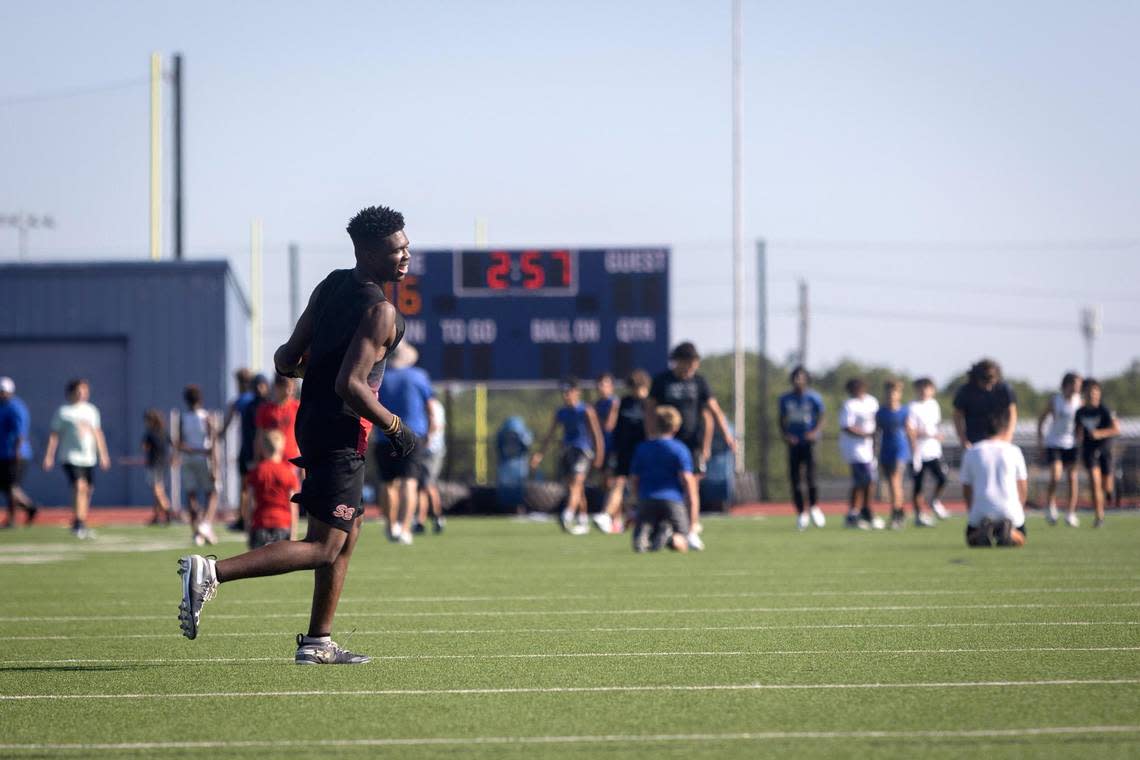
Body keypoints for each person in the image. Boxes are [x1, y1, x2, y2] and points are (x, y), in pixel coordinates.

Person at [178, 204, 416, 666]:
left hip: (313, 422)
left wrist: (318, 368)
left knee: (348, 532)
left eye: (407, 244)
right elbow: (352, 383)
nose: (406, 255)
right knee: (325, 545)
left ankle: (317, 642)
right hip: (342, 428)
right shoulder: (382, 311)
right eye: (397, 248)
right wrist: (396, 425)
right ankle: (211, 571)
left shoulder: (331, 284)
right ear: (367, 251)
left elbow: (286, 360)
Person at [646, 342, 736, 550]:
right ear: (678, 361)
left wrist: (727, 437)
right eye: (689, 363)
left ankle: (692, 529)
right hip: (668, 443)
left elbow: (714, 411)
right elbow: (650, 410)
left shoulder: (699, 383)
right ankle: (668, 526)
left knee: (692, 485)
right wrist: (651, 435)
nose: (692, 368)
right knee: (669, 486)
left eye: (695, 364)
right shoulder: (662, 382)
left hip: (692, 444)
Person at [530, 377, 605, 536]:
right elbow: (550, 435)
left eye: (569, 391)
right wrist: (539, 455)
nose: (566, 395)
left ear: (577, 392)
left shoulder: (586, 410)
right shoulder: (561, 413)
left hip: (583, 452)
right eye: (564, 392)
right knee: (577, 487)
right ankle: (583, 520)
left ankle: (568, 514)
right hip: (568, 451)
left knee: (575, 484)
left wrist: (599, 454)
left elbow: (597, 435)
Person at [376, 343, 434, 545]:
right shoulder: (419, 376)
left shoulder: (380, 377)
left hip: (384, 434)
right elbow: (430, 408)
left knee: (387, 483)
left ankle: (390, 526)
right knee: (409, 481)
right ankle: (405, 528)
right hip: (412, 435)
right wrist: (431, 433)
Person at [42, 378, 110, 539]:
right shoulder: (63, 411)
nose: (82, 393)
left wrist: (103, 455)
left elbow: (98, 433)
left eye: (85, 390)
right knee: (79, 486)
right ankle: (79, 522)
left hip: (89, 458)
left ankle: (80, 521)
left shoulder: (91, 410)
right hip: (70, 457)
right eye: (79, 390)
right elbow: (54, 435)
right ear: (71, 392)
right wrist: (49, 456)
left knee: (87, 490)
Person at [629, 405, 698, 553]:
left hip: (646, 499)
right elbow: (687, 480)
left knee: (644, 529)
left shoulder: (643, 448)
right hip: (672, 499)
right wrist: (692, 519)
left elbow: (635, 479)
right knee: (683, 540)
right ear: (675, 427)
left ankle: (645, 538)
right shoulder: (679, 449)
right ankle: (671, 537)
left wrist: (635, 503)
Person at [960, 406, 1028, 548]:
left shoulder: (972, 451)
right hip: (1009, 509)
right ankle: (1009, 533)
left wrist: (971, 509)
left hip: (981, 509)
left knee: (970, 538)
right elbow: (1022, 486)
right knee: (1022, 538)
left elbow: (966, 488)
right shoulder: (1014, 451)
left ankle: (985, 531)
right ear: (1005, 428)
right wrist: (1019, 507)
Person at [597, 370, 651, 534]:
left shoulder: (650, 403)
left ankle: (637, 515)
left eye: (637, 388)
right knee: (619, 482)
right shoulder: (624, 402)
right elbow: (613, 427)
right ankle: (606, 516)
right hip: (625, 450)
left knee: (641, 485)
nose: (635, 392)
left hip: (644, 451)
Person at [778, 366, 825, 531]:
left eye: (802, 377)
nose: (799, 380)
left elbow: (821, 417)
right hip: (794, 443)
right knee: (795, 479)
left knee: (811, 477)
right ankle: (801, 512)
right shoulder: (785, 399)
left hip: (809, 442)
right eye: (796, 377)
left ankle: (813, 506)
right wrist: (786, 435)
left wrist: (814, 432)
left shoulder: (814, 398)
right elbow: (782, 420)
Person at [1037, 372, 1082, 527]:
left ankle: (1070, 513)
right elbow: (1041, 419)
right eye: (1076, 384)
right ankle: (1050, 505)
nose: (1078, 387)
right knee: (1055, 476)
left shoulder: (1079, 401)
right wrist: (1040, 441)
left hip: (1072, 444)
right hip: (1054, 442)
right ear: (1067, 385)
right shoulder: (1055, 400)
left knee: (1072, 478)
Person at [1074, 379, 1120, 529]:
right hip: (1089, 450)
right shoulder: (1080, 412)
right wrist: (1078, 438)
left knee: (1107, 486)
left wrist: (1100, 433)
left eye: (1095, 393)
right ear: (1084, 394)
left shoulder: (1104, 410)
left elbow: (1116, 429)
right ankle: (1099, 516)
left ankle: (1110, 492)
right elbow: (1078, 431)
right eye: (1090, 393)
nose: (1093, 396)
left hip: (1105, 448)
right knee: (1095, 482)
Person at [226, 373, 269, 532]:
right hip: (253, 451)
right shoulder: (259, 402)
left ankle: (246, 519)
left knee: (248, 487)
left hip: (250, 450)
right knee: (251, 487)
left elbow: (228, 420)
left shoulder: (243, 401)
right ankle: (247, 519)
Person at [877, 380, 922, 530]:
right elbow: (876, 433)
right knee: (891, 485)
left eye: (894, 392)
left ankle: (896, 514)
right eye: (888, 392)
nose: (891, 395)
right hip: (885, 450)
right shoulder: (881, 412)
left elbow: (910, 432)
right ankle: (900, 511)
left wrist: (914, 451)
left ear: (899, 394)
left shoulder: (904, 411)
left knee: (895, 481)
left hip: (900, 450)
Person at [178, 384, 220, 546]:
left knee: (191, 495)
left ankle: (198, 532)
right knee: (213, 493)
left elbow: (179, 443)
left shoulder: (183, 418)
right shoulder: (207, 417)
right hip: (204, 457)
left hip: (189, 458)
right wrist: (215, 466)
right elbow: (213, 442)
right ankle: (205, 524)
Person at [246, 429, 301, 549]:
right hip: (282, 523)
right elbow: (293, 506)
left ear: (263, 447)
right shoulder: (288, 473)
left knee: (258, 565)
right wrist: (294, 533)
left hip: (260, 523)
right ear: (282, 447)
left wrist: (248, 528)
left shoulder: (256, 472)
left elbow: (250, 503)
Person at [839, 378, 881, 530]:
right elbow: (846, 426)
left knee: (868, 481)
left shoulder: (872, 402)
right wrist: (865, 434)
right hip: (854, 449)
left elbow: (878, 420)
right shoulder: (849, 405)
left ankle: (861, 511)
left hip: (870, 449)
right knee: (863, 480)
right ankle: (858, 512)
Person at [907, 378, 950, 522]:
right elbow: (910, 431)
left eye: (927, 388)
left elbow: (935, 425)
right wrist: (915, 448)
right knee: (918, 484)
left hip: (933, 450)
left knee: (942, 478)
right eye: (921, 388)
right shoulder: (912, 407)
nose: (924, 391)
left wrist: (937, 435)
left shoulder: (934, 405)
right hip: (918, 452)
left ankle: (934, 501)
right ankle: (919, 515)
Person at [953, 358, 1017, 447]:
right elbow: (957, 416)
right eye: (985, 382)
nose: (988, 387)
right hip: (975, 440)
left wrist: (1008, 436)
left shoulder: (1005, 390)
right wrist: (963, 439)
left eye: (991, 383)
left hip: (1000, 440)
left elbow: (1012, 414)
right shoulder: (965, 391)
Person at [0, 377, 37, 527]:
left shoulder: (16, 407)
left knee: (11, 487)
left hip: (16, 454)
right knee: (6, 486)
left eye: (3, 392)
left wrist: (17, 451)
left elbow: (20, 433)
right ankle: (29, 508)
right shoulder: (2, 406)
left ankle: (14, 517)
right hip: (3, 454)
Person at [415, 395, 446, 534]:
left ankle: (438, 517)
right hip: (426, 450)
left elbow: (434, 424)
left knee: (427, 484)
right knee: (421, 486)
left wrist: (426, 439)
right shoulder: (433, 405)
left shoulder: (433, 406)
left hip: (432, 450)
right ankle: (420, 521)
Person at [255, 374, 302, 466]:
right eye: (287, 388)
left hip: (292, 462)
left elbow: (302, 435)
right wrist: (257, 460)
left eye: (292, 389)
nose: (290, 392)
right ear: (277, 387)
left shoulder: (297, 407)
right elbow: (259, 436)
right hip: (272, 461)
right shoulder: (265, 410)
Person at [142, 409, 172, 526]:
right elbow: (171, 444)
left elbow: (144, 447)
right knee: (159, 490)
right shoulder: (164, 431)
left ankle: (167, 509)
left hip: (154, 464)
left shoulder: (150, 433)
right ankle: (156, 516)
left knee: (156, 490)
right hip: (163, 464)